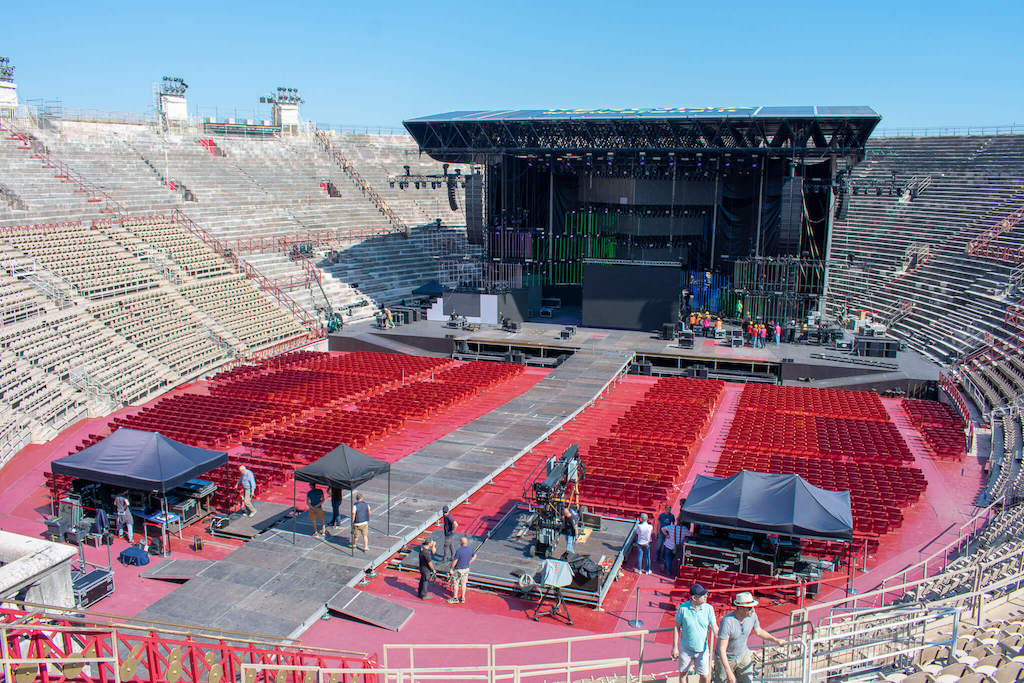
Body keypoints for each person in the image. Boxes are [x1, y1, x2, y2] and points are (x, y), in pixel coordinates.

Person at [716, 592, 786, 683]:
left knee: (747, 680)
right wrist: (728, 672)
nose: (753, 610)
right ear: (740, 608)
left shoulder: (752, 616)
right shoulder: (727, 622)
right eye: (749, 608)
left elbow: (759, 631)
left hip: (743, 654)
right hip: (726, 659)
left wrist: (776, 640)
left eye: (753, 607)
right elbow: (722, 649)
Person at [672, 584, 716, 683]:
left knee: (705, 676)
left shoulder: (709, 608)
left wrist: (723, 641)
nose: (706, 596)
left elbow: (715, 628)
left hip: (702, 650)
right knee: (683, 674)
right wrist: (675, 647)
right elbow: (676, 627)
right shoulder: (683, 609)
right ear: (694, 598)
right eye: (702, 595)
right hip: (685, 649)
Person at [448, 536, 476, 604]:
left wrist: (451, 568)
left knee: (456, 583)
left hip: (458, 569)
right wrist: (469, 562)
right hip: (466, 569)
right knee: (464, 584)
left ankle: (455, 598)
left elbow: (455, 561)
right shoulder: (470, 549)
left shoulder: (459, 550)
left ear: (461, 542)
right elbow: (474, 556)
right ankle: (463, 597)